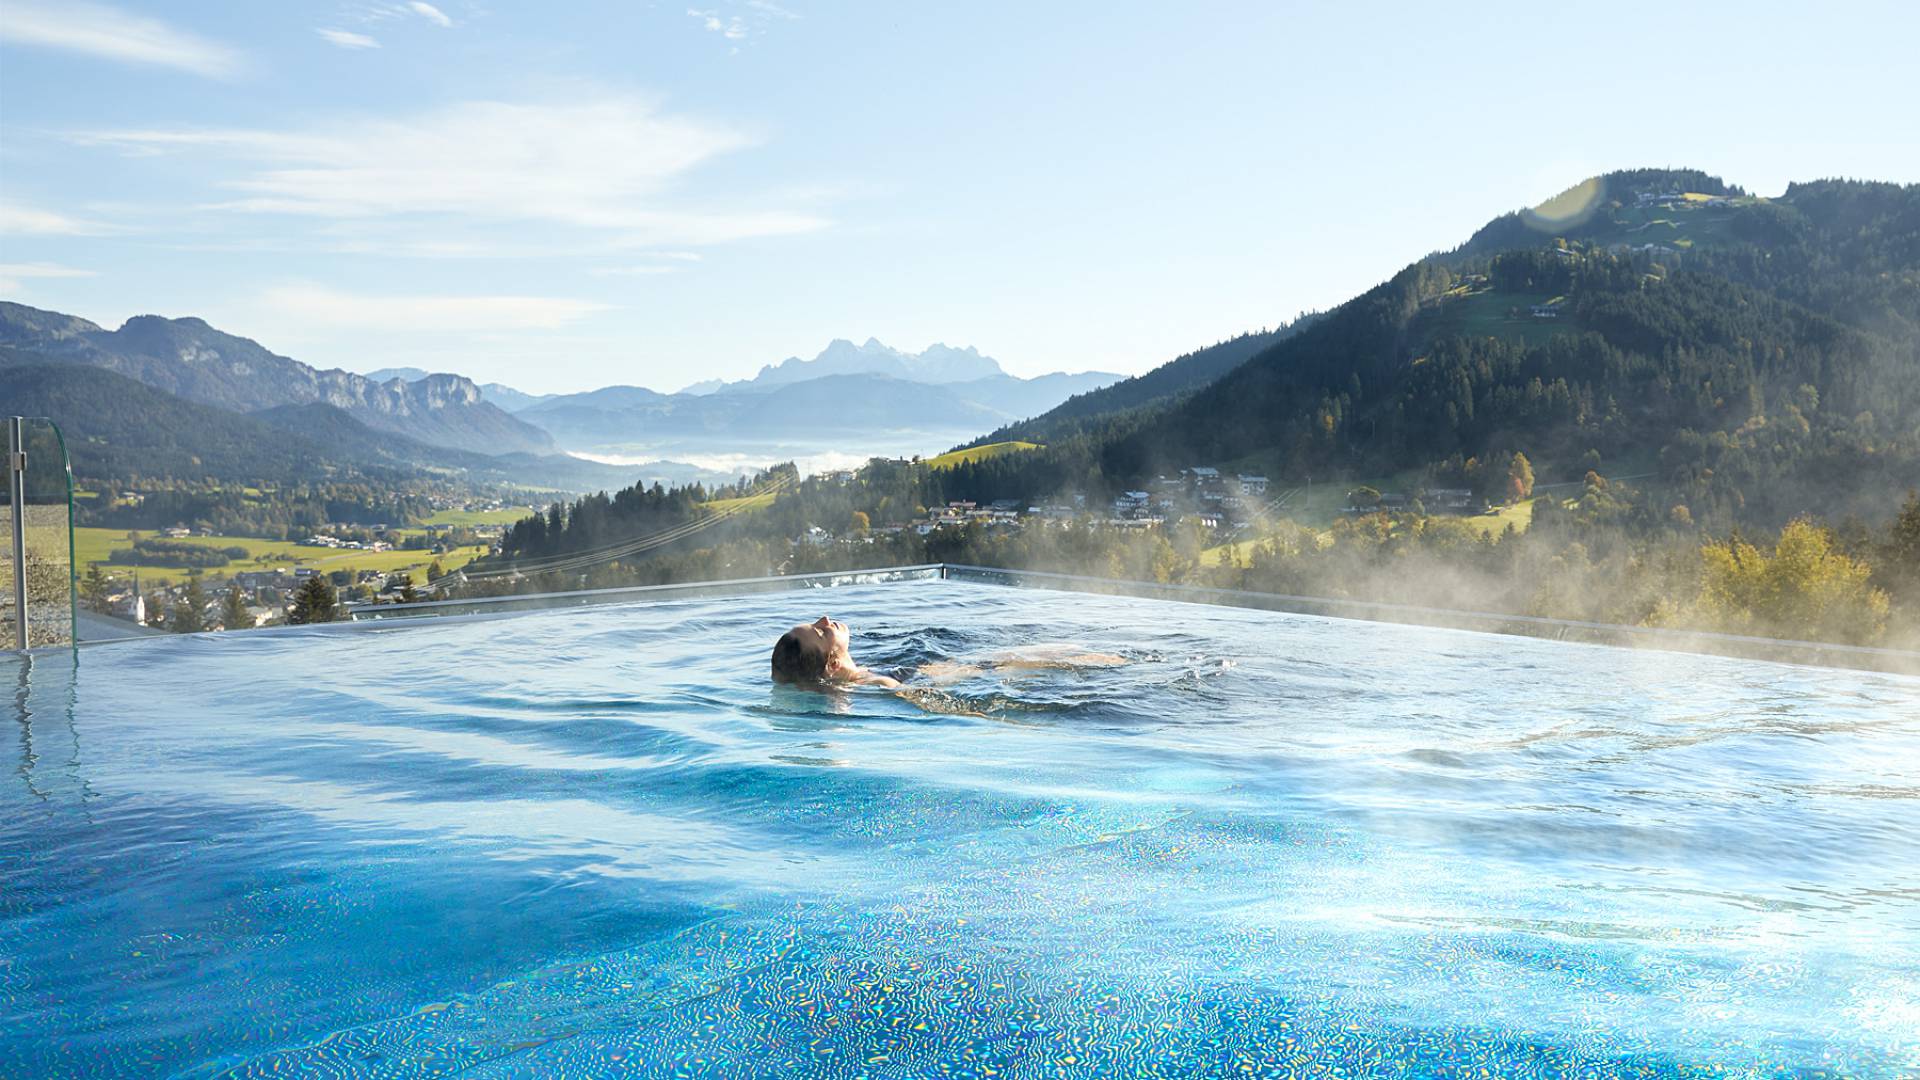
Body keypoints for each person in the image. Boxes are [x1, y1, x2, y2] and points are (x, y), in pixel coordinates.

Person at [769, 615, 1125, 690]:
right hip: (945, 678)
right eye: (820, 631)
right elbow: (918, 699)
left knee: (1006, 657)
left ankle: (1081, 654)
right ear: (832, 664)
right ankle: (1104, 661)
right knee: (1000, 663)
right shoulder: (875, 684)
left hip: (916, 669)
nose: (826, 619)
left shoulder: (851, 675)